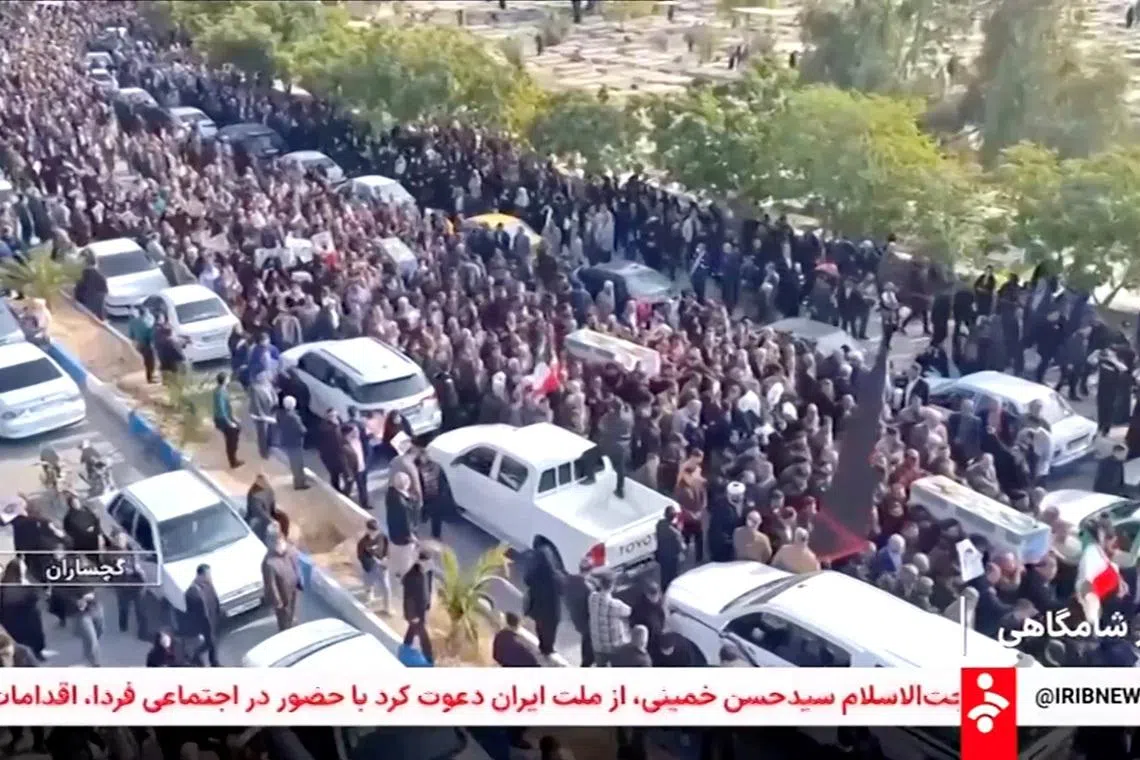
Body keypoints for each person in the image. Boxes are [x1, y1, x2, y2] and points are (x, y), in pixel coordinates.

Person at [0, 558, 46, 661]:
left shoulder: (4, 584)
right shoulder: (21, 584)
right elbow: (35, 597)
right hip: (24, 619)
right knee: (30, 641)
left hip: (15, 621)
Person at [523, 544, 563, 657]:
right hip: (552, 610)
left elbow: (527, 581)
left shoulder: (533, 573)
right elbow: (562, 590)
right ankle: (548, 649)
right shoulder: (556, 576)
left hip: (537, 607)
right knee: (550, 632)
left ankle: (542, 646)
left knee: (540, 627)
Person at [262, 523, 302, 632]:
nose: (280, 544)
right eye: (276, 543)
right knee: (285, 619)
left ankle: (293, 624)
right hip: (282, 595)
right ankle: (286, 632)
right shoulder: (269, 562)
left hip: (292, 589)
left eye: (280, 541)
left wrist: (299, 582)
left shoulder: (290, 551)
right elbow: (271, 585)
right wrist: (278, 602)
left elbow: (296, 566)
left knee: (293, 613)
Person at [586, 571, 631, 666]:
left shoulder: (592, 597)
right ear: (613, 586)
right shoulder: (615, 604)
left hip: (597, 645)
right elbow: (628, 611)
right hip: (613, 647)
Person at [184, 563, 222, 667]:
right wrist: (197, 630)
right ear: (200, 575)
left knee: (213, 642)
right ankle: (197, 655)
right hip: (203, 623)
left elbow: (215, 598)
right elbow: (191, 613)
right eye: (207, 575)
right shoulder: (192, 592)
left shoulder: (209, 584)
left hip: (212, 618)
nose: (210, 577)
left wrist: (218, 612)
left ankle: (213, 661)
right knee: (211, 642)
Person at [111, 530, 145, 639]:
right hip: (122, 586)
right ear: (115, 541)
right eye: (118, 539)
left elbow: (138, 565)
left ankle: (142, 632)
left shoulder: (132, 550)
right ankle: (123, 626)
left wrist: (140, 573)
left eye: (122, 538)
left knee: (140, 610)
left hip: (136, 584)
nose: (120, 541)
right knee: (123, 609)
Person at [401, 551, 434, 663]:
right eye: (428, 562)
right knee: (423, 636)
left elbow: (427, 589)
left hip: (421, 610)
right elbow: (408, 597)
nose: (430, 565)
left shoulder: (425, 572)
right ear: (422, 562)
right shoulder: (412, 576)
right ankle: (429, 658)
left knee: (412, 631)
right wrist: (412, 615)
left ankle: (405, 648)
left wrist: (428, 604)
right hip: (414, 613)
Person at [563, 561, 596, 666]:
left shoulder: (569, 581)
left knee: (586, 641)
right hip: (587, 621)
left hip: (576, 618)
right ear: (590, 571)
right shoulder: (588, 588)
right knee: (589, 644)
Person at [386, 472, 418, 577]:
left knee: (396, 555)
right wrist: (411, 536)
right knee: (406, 558)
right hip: (404, 537)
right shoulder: (403, 504)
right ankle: (405, 576)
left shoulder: (391, 494)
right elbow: (406, 521)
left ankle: (397, 572)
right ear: (406, 484)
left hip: (393, 533)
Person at [357, 519, 391, 614]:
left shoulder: (382, 537)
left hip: (382, 567)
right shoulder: (362, 543)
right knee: (369, 587)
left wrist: (385, 558)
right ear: (367, 530)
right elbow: (360, 556)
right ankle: (369, 604)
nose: (374, 533)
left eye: (375, 531)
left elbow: (386, 548)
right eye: (372, 530)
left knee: (386, 588)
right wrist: (371, 562)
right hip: (369, 568)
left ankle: (387, 608)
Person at [277, 396, 309, 489]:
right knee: (298, 464)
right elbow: (302, 430)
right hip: (295, 442)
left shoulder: (281, 414)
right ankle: (300, 483)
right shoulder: (294, 417)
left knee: (293, 463)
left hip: (287, 441)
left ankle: (298, 481)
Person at [212, 372, 242, 469]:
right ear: (225, 380)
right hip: (222, 419)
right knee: (231, 439)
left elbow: (227, 405)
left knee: (237, 430)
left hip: (226, 417)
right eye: (227, 378)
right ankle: (233, 461)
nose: (229, 379)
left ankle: (234, 457)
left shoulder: (222, 390)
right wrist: (229, 422)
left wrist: (234, 418)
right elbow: (222, 409)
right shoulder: (220, 392)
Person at [248, 371, 279, 460]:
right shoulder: (255, 389)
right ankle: (264, 453)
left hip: (271, 411)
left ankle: (270, 446)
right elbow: (256, 404)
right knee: (263, 434)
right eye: (261, 376)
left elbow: (274, 393)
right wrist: (261, 416)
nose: (264, 377)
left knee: (271, 432)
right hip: (262, 416)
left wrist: (276, 403)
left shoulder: (268, 384)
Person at [654, 505, 685, 590]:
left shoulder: (659, 524)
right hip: (672, 557)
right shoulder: (675, 531)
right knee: (673, 575)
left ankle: (664, 589)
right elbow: (681, 544)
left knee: (664, 575)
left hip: (662, 554)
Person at [72, 586, 104, 667]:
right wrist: (77, 601)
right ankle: (95, 662)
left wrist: (93, 593)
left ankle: (87, 652)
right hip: (81, 612)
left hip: (96, 607)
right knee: (91, 638)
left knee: (99, 632)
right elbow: (62, 593)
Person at [127, 304, 156, 383]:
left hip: (139, 345)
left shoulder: (133, 322)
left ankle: (149, 376)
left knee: (146, 361)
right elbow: (151, 333)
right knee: (151, 361)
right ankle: (150, 377)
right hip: (148, 344)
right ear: (145, 313)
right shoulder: (149, 321)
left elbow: (131, 336)